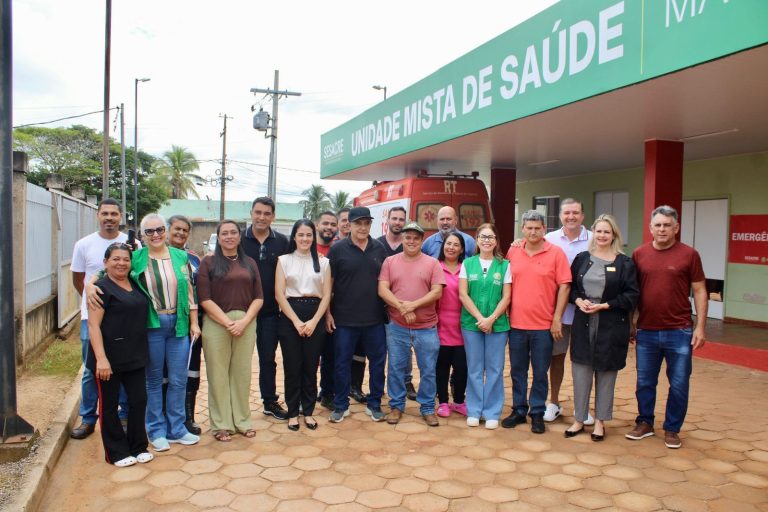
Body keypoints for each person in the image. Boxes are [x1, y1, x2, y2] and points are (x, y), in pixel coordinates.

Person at [106, 213, 201, 452]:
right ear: (142, 235)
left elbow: (189, 292)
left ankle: (177, 428)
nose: (156, 235)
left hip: (178, 324)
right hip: (152, 326)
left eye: (159, 229)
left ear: (166, 231)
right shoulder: (136, 258)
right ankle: (156, 430)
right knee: (154, 380)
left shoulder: (181, 256)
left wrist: (193, 323)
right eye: (150, 231)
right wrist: (89, 284)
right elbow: (110, 273)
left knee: (179, 379)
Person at [626, 205, 707, 449]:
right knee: (644, 382)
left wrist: (700, 327)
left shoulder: (689, 254)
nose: (662, 229)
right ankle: (645, 423)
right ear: (651, 228)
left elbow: (700, 290)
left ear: (676, 228)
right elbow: (633, 292)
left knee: (680, 383)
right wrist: (631, 323)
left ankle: (672, 429)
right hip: (647, 330)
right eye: (658, 225)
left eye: (667, 225)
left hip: (679, 331)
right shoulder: (639, 254)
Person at [564, 215, 639, 441]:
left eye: (607, 232)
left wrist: (606, 305)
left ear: (614, 235)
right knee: (581, 372)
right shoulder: (581, 259)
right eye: (599, 232)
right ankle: (579, 419)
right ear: (593, 234)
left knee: (606, 374)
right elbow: (572, 289)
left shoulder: (624, 263)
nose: (602, 236)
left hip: (611, 325)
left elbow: (632, 295)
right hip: (583, 322)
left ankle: (600, 421)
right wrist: (578, 301)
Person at [503, 210, 571, 434]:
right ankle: (519, 410)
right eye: (529, 228)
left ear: (544, 229)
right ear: (522, 229)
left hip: (543, 326)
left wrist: (557, 318)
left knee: (541, 372)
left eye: (537, 228)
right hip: (516, 325)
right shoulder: (513, 251)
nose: (533, 232)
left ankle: (537, 412)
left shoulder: (556, 253)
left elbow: (564, 286)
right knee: (518, 371)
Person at [70, 198, 133, 440]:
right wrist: (92, 302)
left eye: (113, 214)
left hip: (123, 319)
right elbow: (79, 280)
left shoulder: (131, 243)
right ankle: (88, 419)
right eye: (105, 213)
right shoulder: (84, 244)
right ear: (98, 215)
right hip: (91, 318)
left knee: (124, 366)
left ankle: (124, 414)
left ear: (120, 216)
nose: (109, 218)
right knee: (91, 368)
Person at [87, 243, 153, 467]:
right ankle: (116, 452)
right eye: (115, 259)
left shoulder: (134, 283)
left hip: (134, 355)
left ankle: (138, 446)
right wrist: (101, 359)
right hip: (108, 358)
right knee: (109, 405)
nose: (121, 263)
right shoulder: (100, 289)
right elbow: (94, 326)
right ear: (106, 262)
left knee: (138, 401)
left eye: (125, 259)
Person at [198, 220, 264, 441]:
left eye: (233, 232)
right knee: (218, 375)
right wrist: (228, 323)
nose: (229, 236)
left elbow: (259, 297)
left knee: (241, 374)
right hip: (217, 323)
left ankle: (242, 421)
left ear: (239, 236)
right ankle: (221, 424)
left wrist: (244, 322)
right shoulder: (208, 263)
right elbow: (204, 299)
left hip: (246, 322)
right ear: (218, 237)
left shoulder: (250, 263)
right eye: (224, 233)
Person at [379, 222, 445, 426]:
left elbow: (437, 292)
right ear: (402, 239)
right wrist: (401, 308)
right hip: (397, 326)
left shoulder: (432, 263)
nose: (411, 241)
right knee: (396, 368)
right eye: (408, 237)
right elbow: (383, 289)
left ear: (422, 240)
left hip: (426, 327)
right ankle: (396, 406)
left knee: (428, 370)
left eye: (416, 238)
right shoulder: (390, 261)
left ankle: (426, 408)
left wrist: (412, 306)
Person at [326, 206, 388, 423]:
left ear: (370, 225)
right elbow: (328, 285)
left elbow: (386, 283)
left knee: (378, 363)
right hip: (344, 319)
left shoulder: (379, 248)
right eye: (358, 223)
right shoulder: (338, 250)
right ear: (349, 225)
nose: (362, 227)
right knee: (342, 363)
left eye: (366, 223)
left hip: (375, 319)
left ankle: (375, 404)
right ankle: (341, 405)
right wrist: (327, 313)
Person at [275, 220, 332, 431]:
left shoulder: (324, 262)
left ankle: (308, 412)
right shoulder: (284, 260)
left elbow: (326, 295)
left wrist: (315, 321)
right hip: (290, 317)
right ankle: (292, 413)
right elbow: (279, 295)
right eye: (301, 235)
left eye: (309, 235)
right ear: (294, 237)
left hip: (315, 315)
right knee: (292, 367)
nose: (305, 239)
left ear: (313, 237)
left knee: (310, 366)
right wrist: (297, 322)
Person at [542, 198, 594, 424]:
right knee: (557, 358)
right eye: (566, 213)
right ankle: (553, 402)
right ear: (560, 216)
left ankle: (584, 408)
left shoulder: (596, 239)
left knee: (585, 360)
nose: (571, 217)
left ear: (582, 216)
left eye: (575, 213)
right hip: (558, 312)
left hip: (588, 312)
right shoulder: (549, 239)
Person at [241, 197, 290, 421]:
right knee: (238, 361)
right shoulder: (238, 239)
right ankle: (236, 405)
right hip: (240, 313)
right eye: (258, 212)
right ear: (251, 213)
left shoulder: (282, 242)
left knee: (268, 359)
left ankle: (269, 401)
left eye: (266, 213)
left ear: (273, 216)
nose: (261, 217)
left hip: (270, 313)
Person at [458, 224, 511, 429]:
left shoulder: (505, 265)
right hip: (472, 324)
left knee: (496, 369)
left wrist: (491, 319)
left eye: (490, 237)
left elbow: (507, 296)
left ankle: (492, 412)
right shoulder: (468, 264)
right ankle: (474, 409)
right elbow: (463, 294)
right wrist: (481, 318)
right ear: (477, 240)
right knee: (475, 368)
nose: (487, 240)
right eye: (482, 236)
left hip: (498, 325)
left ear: (496, 241)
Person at [167, 215, 203, 435]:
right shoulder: (153, 255)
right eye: (176, 229)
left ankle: (188, 417)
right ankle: (164, 417)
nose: (180, 233)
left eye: (185, 230)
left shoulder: (194, 258)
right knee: (163, 374)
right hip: (163, 323)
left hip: (192, 324)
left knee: (191, 371)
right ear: (168, 229)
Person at [435, 233, 468, 418]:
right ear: (443, 246)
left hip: (463, 326)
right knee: (442, 366)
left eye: (456, 244)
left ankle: (459, 401)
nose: (452, 247)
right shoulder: (435, 267)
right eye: (448, 243)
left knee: (462, 366)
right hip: (440, 325)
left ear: (461, 249)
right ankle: (443, 402)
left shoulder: (467, 268)